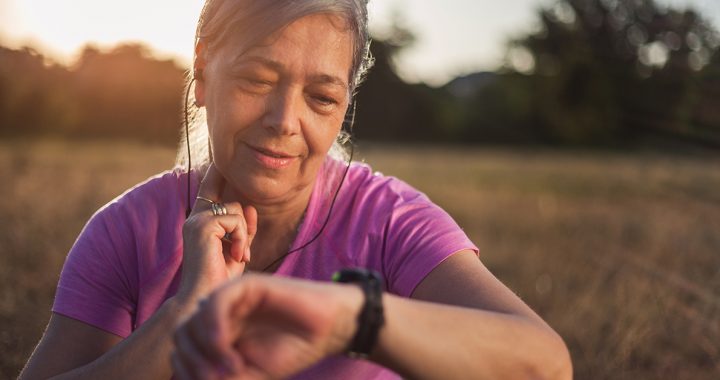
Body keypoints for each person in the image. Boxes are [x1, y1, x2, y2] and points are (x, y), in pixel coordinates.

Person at [20, 1, 572, 379]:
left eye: (322, 98)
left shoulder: (391, 222)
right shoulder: (128, 230)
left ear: (344, 109)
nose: (284, 120)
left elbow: (545, 366)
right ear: (205, 74)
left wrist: (351, 319)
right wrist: (183, 315)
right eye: (257, 81)